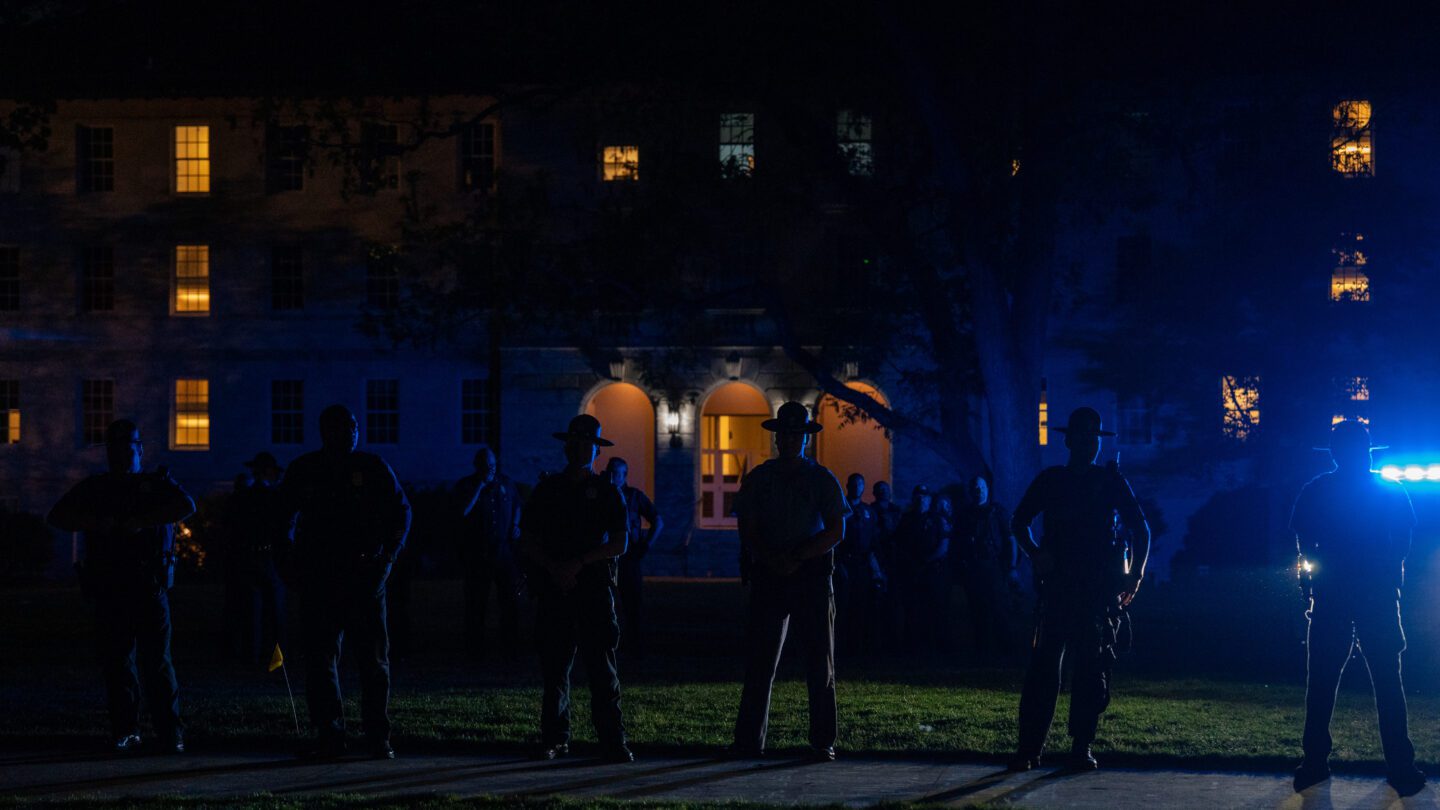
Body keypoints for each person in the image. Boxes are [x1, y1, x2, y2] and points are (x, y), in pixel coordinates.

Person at [1008, 407, 1149, 772]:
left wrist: (1134, 576)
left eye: (1093, 438)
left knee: (1091, 670)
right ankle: (1029, 748)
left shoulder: (1110, 482)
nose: (1088, 444)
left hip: (1096, 591)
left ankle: (1080, 747)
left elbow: (1141, 529)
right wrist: (1037, 554)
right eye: (1082, 436)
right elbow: (1019, 522)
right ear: (1069, 440)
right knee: (1043, 670)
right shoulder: (1051, 480)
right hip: (1058, 589)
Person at [1291, 421, 1425, 796]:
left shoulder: (1317, 490)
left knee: (1322, 681)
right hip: (1374, 596)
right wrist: (1387, 576)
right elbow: (1402, 543)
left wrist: (1311, 579)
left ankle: (1315, 762)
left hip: (1334, 596)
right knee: (1386, 680)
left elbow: (1304, 543)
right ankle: (1400, 766)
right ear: (1367, 450)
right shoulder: (1389, 491)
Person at [47, 419, 195, 753]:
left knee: (157, 662)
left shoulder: (155, 484)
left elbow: (187, 506)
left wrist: (142, 521)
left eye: (127, 448)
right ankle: (126, 729)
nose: (120, 455)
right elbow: (57, 516)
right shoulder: (96, 488)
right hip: (110, 586)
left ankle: (170, 732)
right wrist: (96, 522)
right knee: (117, 663)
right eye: (114, 449)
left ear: (139, 449)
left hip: (148, 584)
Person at [279, 404, 411, 760]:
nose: (349, 433)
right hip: (320, 579)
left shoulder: (372, 468)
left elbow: (401, 513)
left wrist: (386, 560)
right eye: (341, 428)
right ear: (325, 432)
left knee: (373, 663)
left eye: (352, 427)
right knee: (322, 662)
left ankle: (376, 735)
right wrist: (288, 564)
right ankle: (330, 735)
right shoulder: (306, 470)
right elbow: (280, 519)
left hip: (364, 579)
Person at [730, 401, 849, 761]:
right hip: (770, 577)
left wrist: (795, 556)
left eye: (797, 434)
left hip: (810, 577)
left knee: (819, 663)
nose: (791, 439)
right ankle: (749, 741)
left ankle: (822, 741)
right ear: (777, 437)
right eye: (786, 434)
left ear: (804, 439)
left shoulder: (822, 479)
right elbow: (746, 530)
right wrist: (770, 558)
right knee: (759, 664)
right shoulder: (759, 478)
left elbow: (836, 530)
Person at [518, 414, 633, 763]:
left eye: (588, 443)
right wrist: (554, 568)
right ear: (568, 446)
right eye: (577, 442)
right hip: (556, 590)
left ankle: (612, 739)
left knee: (602, 670)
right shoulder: (548, 490)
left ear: (596, 450)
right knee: (555, 671)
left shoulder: (609, 493)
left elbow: (620, 542)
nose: (582, 448)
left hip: (594, 590)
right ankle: (554, 738)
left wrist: (579, 563)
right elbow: (527, 539)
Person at [455, 446, 523, 659]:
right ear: (477, 466)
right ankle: (474, 649)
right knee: (476, 602)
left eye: (493, 465)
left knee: (509, 601)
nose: (490, 470)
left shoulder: (506, 483)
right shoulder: (467, 485)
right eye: (486, 466)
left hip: (503, 551)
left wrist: (515, 523)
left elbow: (517, 504)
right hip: (479, 553)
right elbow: (462, 511)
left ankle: (510, 647)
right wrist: (479, 486)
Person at [229, 452, 290, 668]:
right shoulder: (273, 496)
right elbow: (283, 527)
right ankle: (274, 659)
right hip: (268, 556)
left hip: (248, 557)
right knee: (274, 611)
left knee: (251, 610)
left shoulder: (244, 496)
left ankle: (251, 657)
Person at [605, 457, 664, 659]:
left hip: (629, 557)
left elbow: (658, 520)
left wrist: (646, 545)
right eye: (610, 471)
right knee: (602, 603)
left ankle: (633, 644)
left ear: (625, 475)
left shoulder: (634, 497)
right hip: (605, 556)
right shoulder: (602, 495)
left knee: (632, 604)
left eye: (617, 472)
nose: (612, 476)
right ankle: (606, 642)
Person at [954, 475, 1017, 656]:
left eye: (981, 487)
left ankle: (1007, 651)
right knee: (977, 610)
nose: (978, 491)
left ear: (987, 489)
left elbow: (1010, 539)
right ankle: (983, 651)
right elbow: (958, 543)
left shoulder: (997, 512)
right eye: (975, 487)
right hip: (973, 569)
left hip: (994, 567)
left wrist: (1012, 567)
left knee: (999, 609)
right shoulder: (965, 515)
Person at [834, 473, 882, 657]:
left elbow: (873, 541)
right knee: (843, 606)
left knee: (860, 605)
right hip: (845, 563)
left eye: (860, 484)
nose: (857, 487)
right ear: (847, 485)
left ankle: (858, 646)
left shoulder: (868, 512)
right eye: (854, 484)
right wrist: (838, 563)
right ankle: (841, 647)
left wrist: (876, 567)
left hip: (862, 565)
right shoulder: (841, 510)